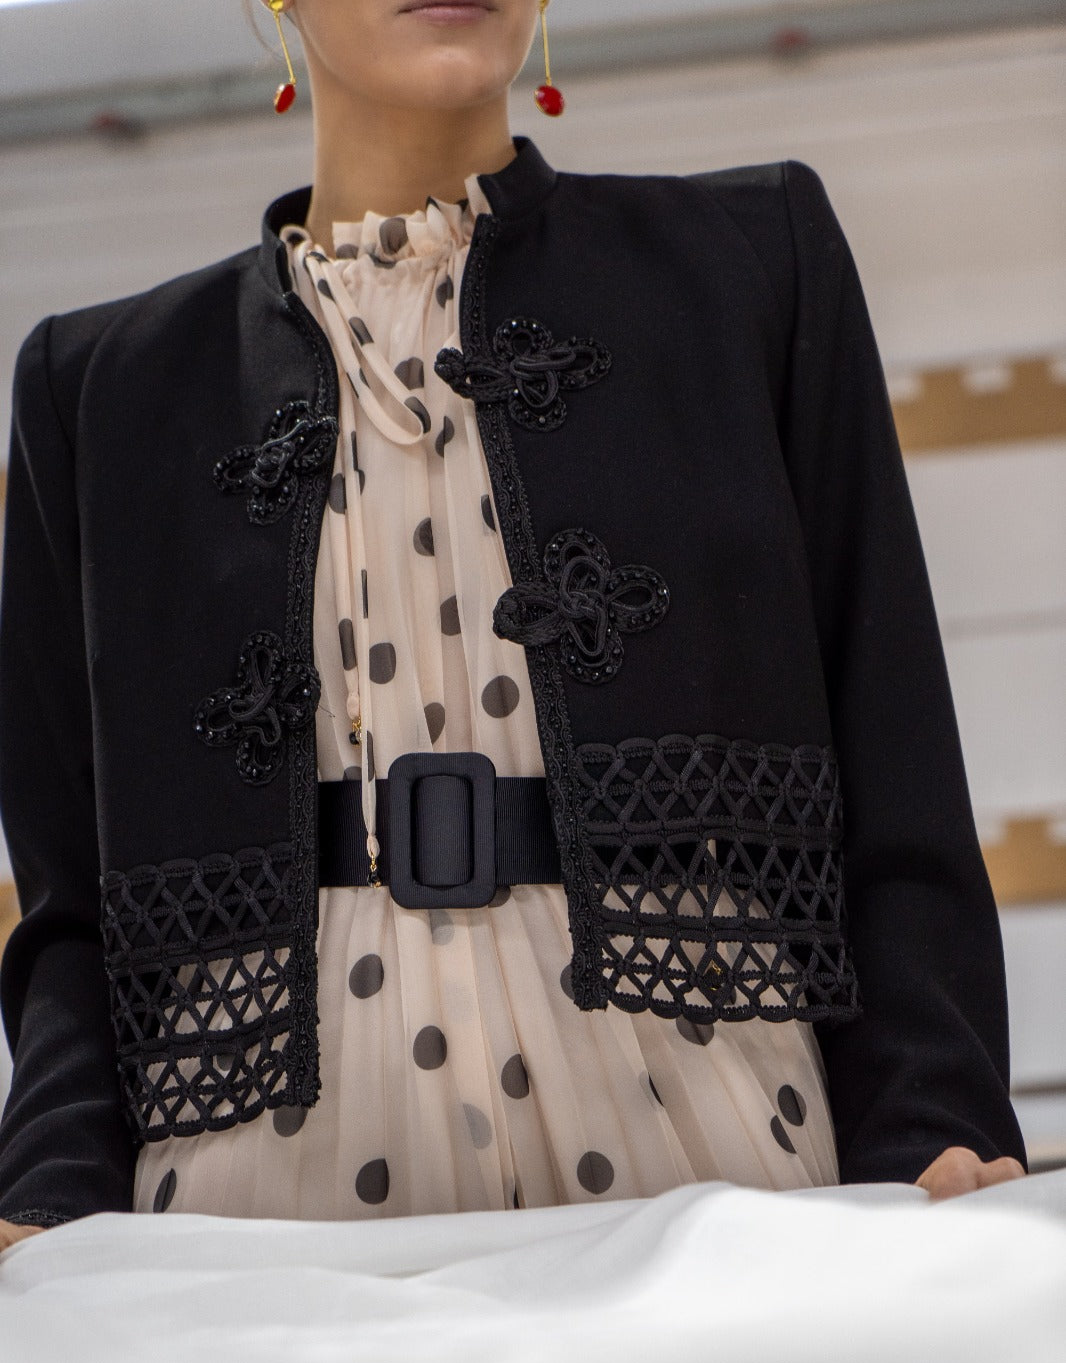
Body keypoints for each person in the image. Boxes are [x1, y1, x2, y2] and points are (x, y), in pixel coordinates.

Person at [0, 0, 1028, 1255]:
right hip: (261, 1217)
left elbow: (895, 761)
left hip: (711, 1162)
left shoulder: (752, 263)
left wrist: (931, 1121)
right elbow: (73, 913)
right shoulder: (98, 390)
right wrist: (49, 1198)